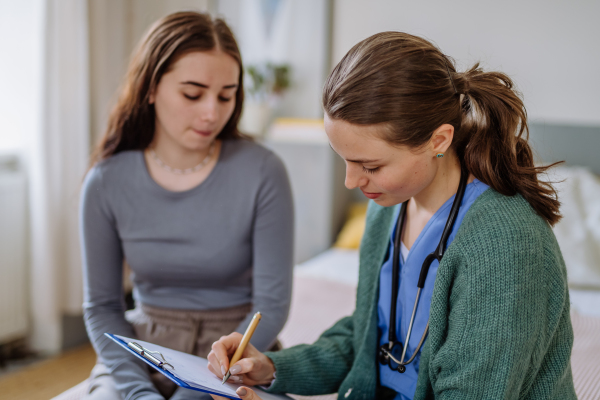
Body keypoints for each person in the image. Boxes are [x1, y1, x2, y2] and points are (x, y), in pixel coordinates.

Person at [207, 32, 577, 400]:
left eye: (370, 165)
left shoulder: (505, 242)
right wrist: (272, 368)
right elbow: (368, 338)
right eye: (345, 160)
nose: (352, 181)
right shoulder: (387, 209)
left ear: (439, 140)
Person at [80, 12, 294, 400]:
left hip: (235, 353)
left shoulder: (263, 171)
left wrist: (205, 385)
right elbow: (102, 306)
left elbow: (271, 304)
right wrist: (136, 391)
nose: (212, 112)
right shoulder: (106, 181)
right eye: (192, 94)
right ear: (150, 88)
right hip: (142, 351)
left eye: (226, 95)